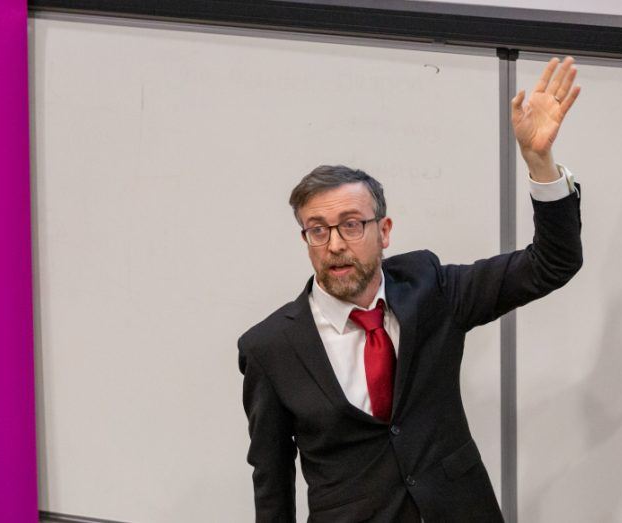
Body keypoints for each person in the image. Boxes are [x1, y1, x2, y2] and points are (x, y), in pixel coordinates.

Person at [238, 56, 582, 522]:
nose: (335, 244)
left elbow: (551, 263)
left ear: (385, 231)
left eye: (351, 225)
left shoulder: (431, 288)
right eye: (317, 230)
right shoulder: (271, 346)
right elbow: (272, 484)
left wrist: (539, 162)